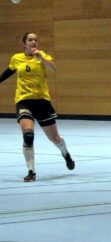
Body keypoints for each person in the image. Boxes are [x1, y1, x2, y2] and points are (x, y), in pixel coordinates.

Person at [0, 32, 75, 182]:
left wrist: (41, 58)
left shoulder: (42, 57)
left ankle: (66, 154)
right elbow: (9, 70)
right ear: (24, 43)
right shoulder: (17, 58)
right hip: (24, 100)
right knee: (28, 135)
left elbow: (54, 68)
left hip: (41, 101)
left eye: (35, 40)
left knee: (54, 138)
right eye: (30, 40)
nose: (33, 42)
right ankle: (31, 171)